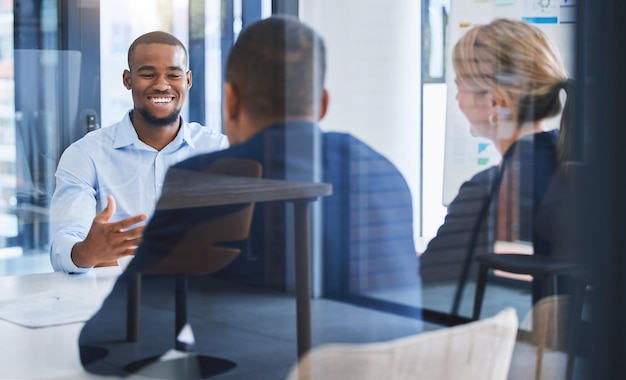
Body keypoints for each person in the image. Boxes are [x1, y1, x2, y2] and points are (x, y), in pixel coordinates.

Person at [79, 16, 421, 376]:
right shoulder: (384, 172)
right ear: (321, 103)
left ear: (230, 100)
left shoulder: (206, 180)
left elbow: (108, 350)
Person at [419, 18, 575, 306]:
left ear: (495, 103)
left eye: (461, 86)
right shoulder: (565, 167)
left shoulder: (493, 190)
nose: (457, 98)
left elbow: (421, 289)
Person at [49, 31, 229, 274]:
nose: (162, 85)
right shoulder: (85, 155)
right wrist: (88, 251)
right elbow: (62, 246)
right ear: (128, 80)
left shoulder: (219, 150)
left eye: (173, 75)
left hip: (204, 295)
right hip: (119, 300)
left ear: (188, 80)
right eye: (148, 74)